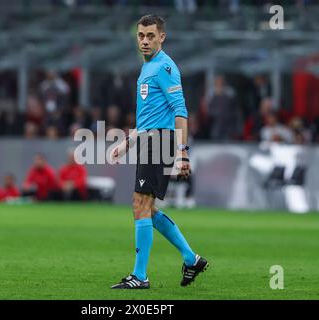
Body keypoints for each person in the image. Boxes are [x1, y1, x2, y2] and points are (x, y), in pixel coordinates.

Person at [109, 15, 208, 290]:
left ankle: (140, 276)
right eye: (141, 35)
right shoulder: (148, 68)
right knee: (147, 209)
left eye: (150, 35)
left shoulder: (164, 67)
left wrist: (183, 153)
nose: (144, 40)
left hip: (160, 143)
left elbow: (180, 111)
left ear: (161, 37)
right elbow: (150, 117)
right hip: (149, 140)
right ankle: (191, 258)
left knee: (140, 205)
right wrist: (127, 143)